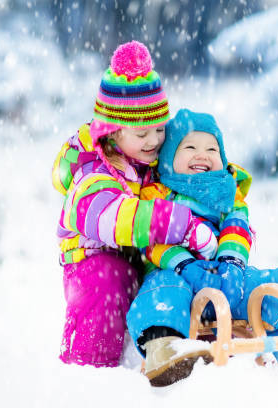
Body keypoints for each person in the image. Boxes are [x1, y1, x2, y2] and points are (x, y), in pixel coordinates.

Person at [126, 109, 278, 388]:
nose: (202, 154)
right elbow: (154, 241)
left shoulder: (229, 195)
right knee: (162, 290)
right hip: (175, 271)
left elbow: (237, 229)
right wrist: (185, 264)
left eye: (211, 148)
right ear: (169, 158)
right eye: (190, 147)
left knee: (268, 284)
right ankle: (164, 346)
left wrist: (231, 264)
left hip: (225, 275)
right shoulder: (156, 194)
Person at [51, 43, 217, 368]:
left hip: (137, 256)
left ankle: (182, 344)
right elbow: (109, 217)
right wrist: (172, 222)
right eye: (142, 132)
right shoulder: (93, 169)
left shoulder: (148, 159)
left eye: (159, 128)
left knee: (171, 277)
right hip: (92, 260)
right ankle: (88, 366)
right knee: (108, 282)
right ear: (112, 132)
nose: (154, 139)